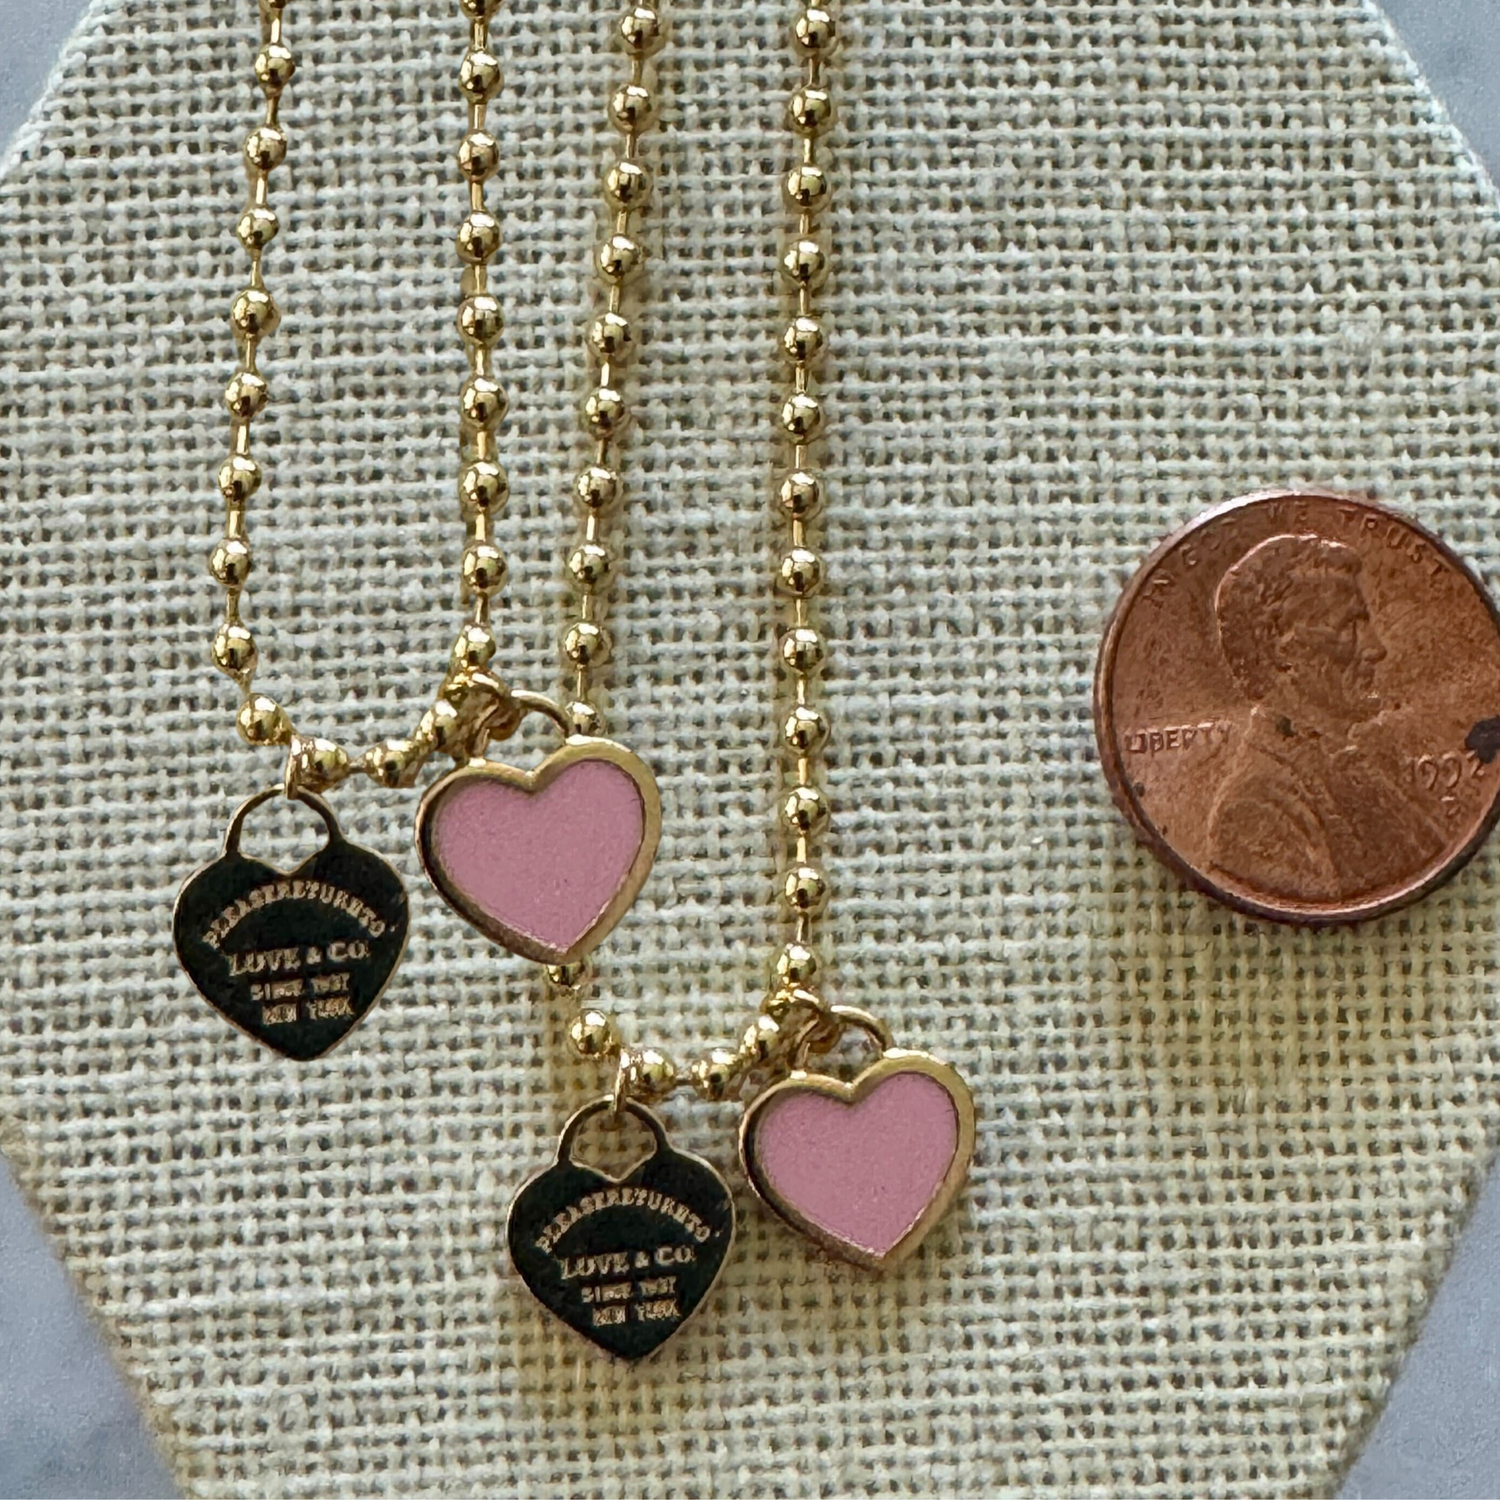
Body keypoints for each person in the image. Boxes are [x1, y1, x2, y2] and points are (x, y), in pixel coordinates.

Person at [1207, 532, 1445, 903]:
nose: (1376, 650)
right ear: (1281, 647)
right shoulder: (1256, 807)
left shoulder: (1353, 767)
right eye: (1350, 626)